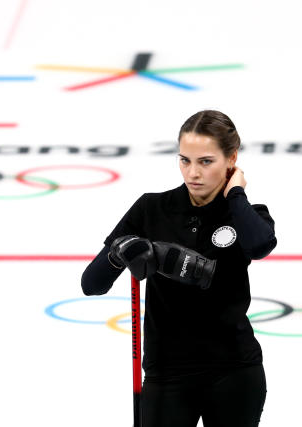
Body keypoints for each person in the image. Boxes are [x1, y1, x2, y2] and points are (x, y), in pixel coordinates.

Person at [81, 110, 277, 427]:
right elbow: (92, 284)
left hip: (234, 370)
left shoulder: (245, 215)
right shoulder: (151, 208)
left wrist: (236, 193)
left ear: (231, 159)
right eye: (185, 160)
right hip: (166, 373)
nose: (193, 172)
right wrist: (119, 252)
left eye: (206, 161)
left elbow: (260, 245)